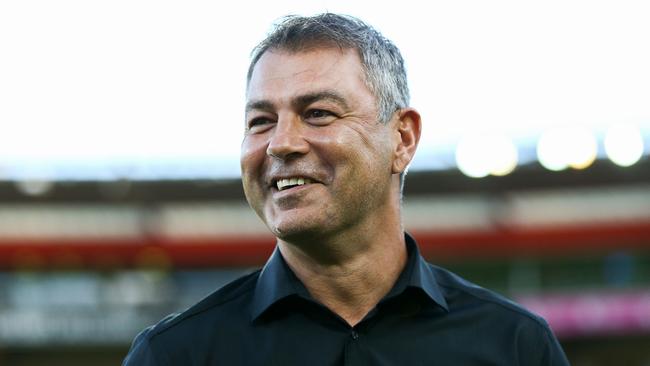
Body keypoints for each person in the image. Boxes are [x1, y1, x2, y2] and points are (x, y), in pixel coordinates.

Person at [123, 13, 570, 365]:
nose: (281, 143)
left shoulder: (515, 346)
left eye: (317, 112)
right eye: (261, 121)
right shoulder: (173, 354)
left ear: (402, 139)